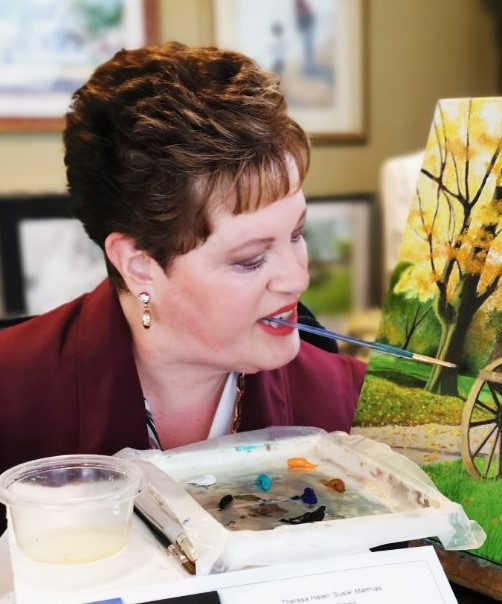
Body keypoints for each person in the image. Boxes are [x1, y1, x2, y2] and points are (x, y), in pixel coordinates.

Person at [0, 42, 366, 533]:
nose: (299, 277)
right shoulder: (12, 397)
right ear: (139, 266)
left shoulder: (349, 410)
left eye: (297, 234)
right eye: (250, 259)